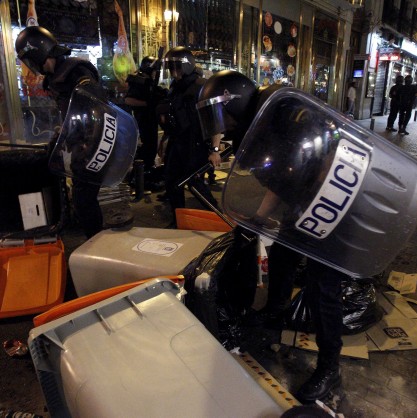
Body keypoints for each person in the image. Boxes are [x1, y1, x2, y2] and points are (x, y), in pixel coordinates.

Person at [196, 70, 347, 404]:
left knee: (323, 288)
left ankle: (329, 368)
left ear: (233, 105)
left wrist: (318, 209)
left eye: (222, 115)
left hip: (335, 204)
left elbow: (329, 151)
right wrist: (261, 218)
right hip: (305, 203)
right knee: (283, 255)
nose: (223, 124)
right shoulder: (262, 125)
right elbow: (281, 179)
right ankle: (276, 309)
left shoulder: (286, 112)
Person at [15, 26, 105, 239]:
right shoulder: (56, 76)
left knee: (85, 200)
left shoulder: (76, 71)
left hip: (92, 143)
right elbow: (70, 113)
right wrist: (62, 131)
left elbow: (94, 108)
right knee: (81, 198)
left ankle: (96, 242)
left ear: (39, 52)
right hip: (78, 142)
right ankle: (90, 237)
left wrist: (79, 135)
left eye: (31, 59)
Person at [162, 46, 218, 225]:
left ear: (185, 66)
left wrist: (215, 149)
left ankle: (219, 216)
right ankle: (179, 219)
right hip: (177, 142)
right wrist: (164, 141)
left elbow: (214, 121)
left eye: (175, 68)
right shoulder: (175, 87)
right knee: (171, 183)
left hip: (195, 144)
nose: (173, 72)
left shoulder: (201, 87)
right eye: (170, 68)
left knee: (196, 184)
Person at [125, 56, 167, 191]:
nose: (156, 72)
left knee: (151, 147)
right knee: (147, 148)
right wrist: (148, 104)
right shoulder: (139, 79)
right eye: (154, 69)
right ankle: (139, 178)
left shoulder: (147, 80)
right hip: (143, 119)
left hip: (150, 118)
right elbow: (128, 100)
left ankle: (144, 176)